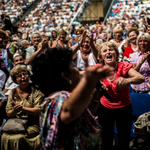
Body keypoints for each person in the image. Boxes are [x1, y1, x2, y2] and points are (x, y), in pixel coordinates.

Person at [31, 47, 114, 149]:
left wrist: (95, 97)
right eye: (73, 66)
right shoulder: (59, 98)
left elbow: (81, 117)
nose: (78, 71)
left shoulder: (51, 100)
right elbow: (69, 111)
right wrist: (88, 82)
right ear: (66, 76)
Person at [97, 41, 144, 150]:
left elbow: (140, 78)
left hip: (123, 109)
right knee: (106, 141)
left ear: (116, 54)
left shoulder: (124, 66)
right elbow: (84, 77)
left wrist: (127, 81)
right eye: (105, 51)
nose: (108, 52)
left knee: (123, 142)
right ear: (101, 56)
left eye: (111, 50)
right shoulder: (98, 69)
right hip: (105, 109)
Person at [1, 65, 44, 150]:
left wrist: (23, 109)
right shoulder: (12, 92)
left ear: (29, 75)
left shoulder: (36, 91)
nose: (23, 77)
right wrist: (14, 111)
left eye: (25, 74)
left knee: (19, 138)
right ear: (15, 80)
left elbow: (38, 111)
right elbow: (8, 113)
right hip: (15, 122)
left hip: (32, 123)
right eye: (19, 76)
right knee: (4, 136)